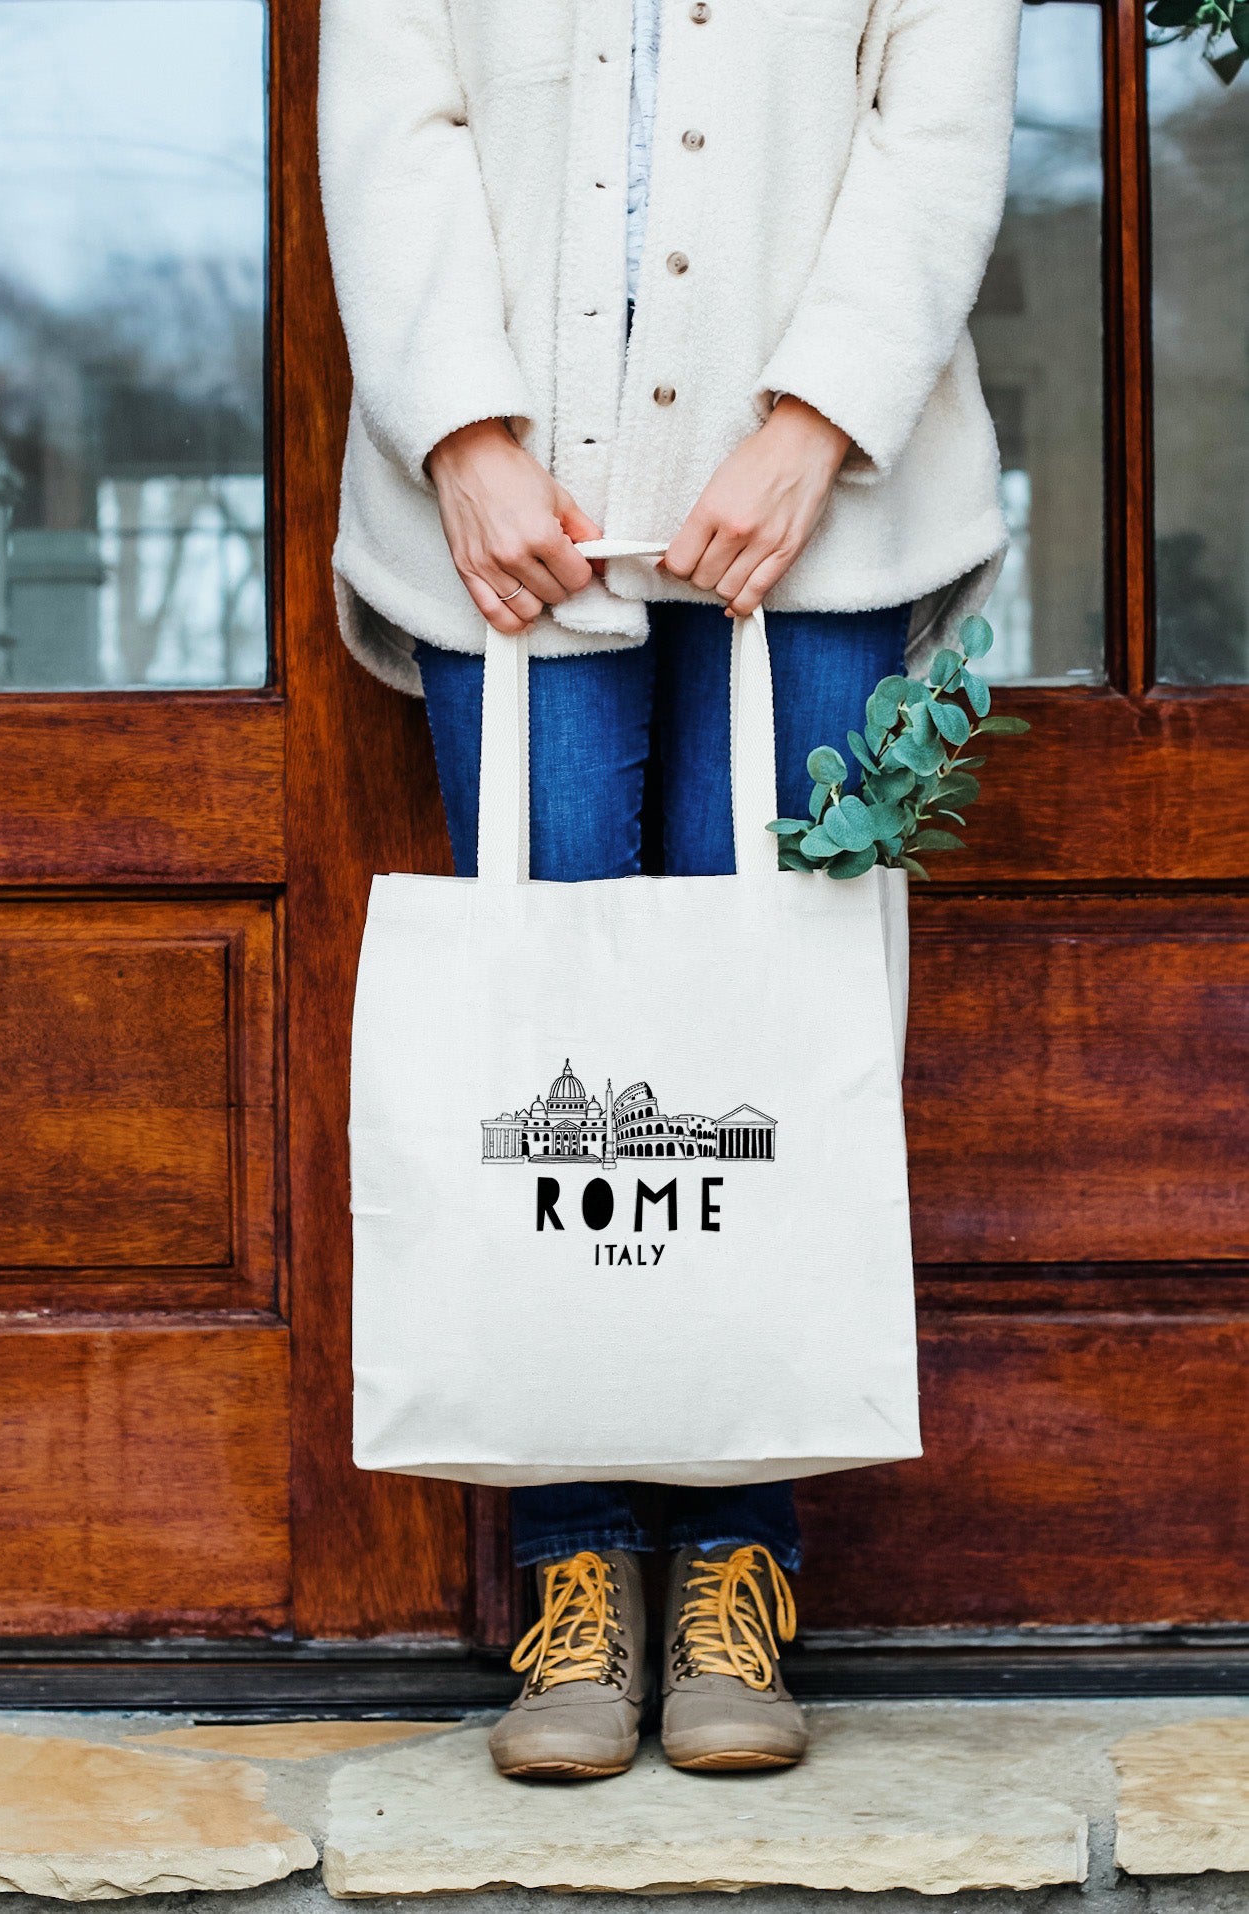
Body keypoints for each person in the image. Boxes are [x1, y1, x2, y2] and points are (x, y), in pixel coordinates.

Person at [319, 0, 1021, 1780]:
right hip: (509, 514)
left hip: (828, 509)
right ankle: (572, 1573)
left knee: (763, 1050)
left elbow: (931, 126)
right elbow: (399, 122)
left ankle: (737, 1571)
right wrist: (462, 437)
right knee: (543, 1063)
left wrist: (812, 425)